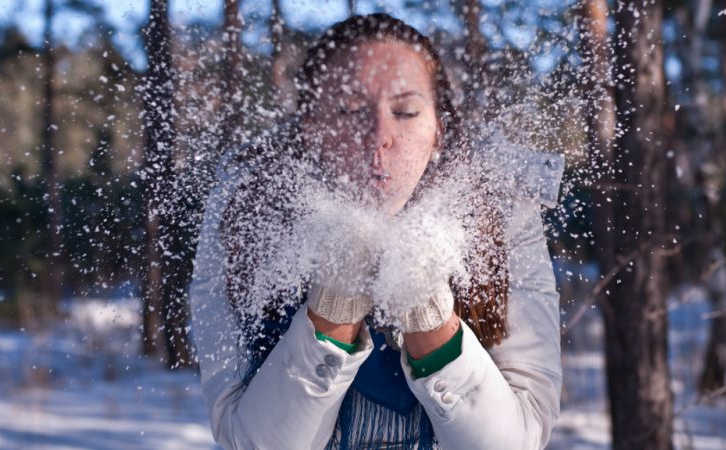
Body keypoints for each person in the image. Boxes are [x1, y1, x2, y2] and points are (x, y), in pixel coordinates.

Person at [190, 13, 561, 450]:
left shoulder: (500, 210)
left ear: (437, 130)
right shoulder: (246, 214)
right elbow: (245, 442)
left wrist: (425, 307)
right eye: (348, 112)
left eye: (405, 112)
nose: (379, 136)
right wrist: (336, 298)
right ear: (311, 128)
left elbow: (517, 442)